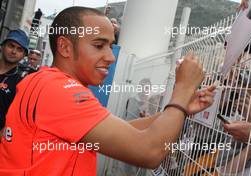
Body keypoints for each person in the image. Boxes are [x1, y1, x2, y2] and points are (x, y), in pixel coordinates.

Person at [0, 7, 216, 175]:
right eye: (98, 45)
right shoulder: (61, 91)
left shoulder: (43, 81)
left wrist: (179, 109)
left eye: (111, 46)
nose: (111, 57)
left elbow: (121, 132)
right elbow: (149, 151)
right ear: (65, 47)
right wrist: (183, 87)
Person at [0, 29, 35, 131]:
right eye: (11, 46)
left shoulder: (23, 81)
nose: (14, 51)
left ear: (24, 55)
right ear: (2, 46)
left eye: (19, 49)